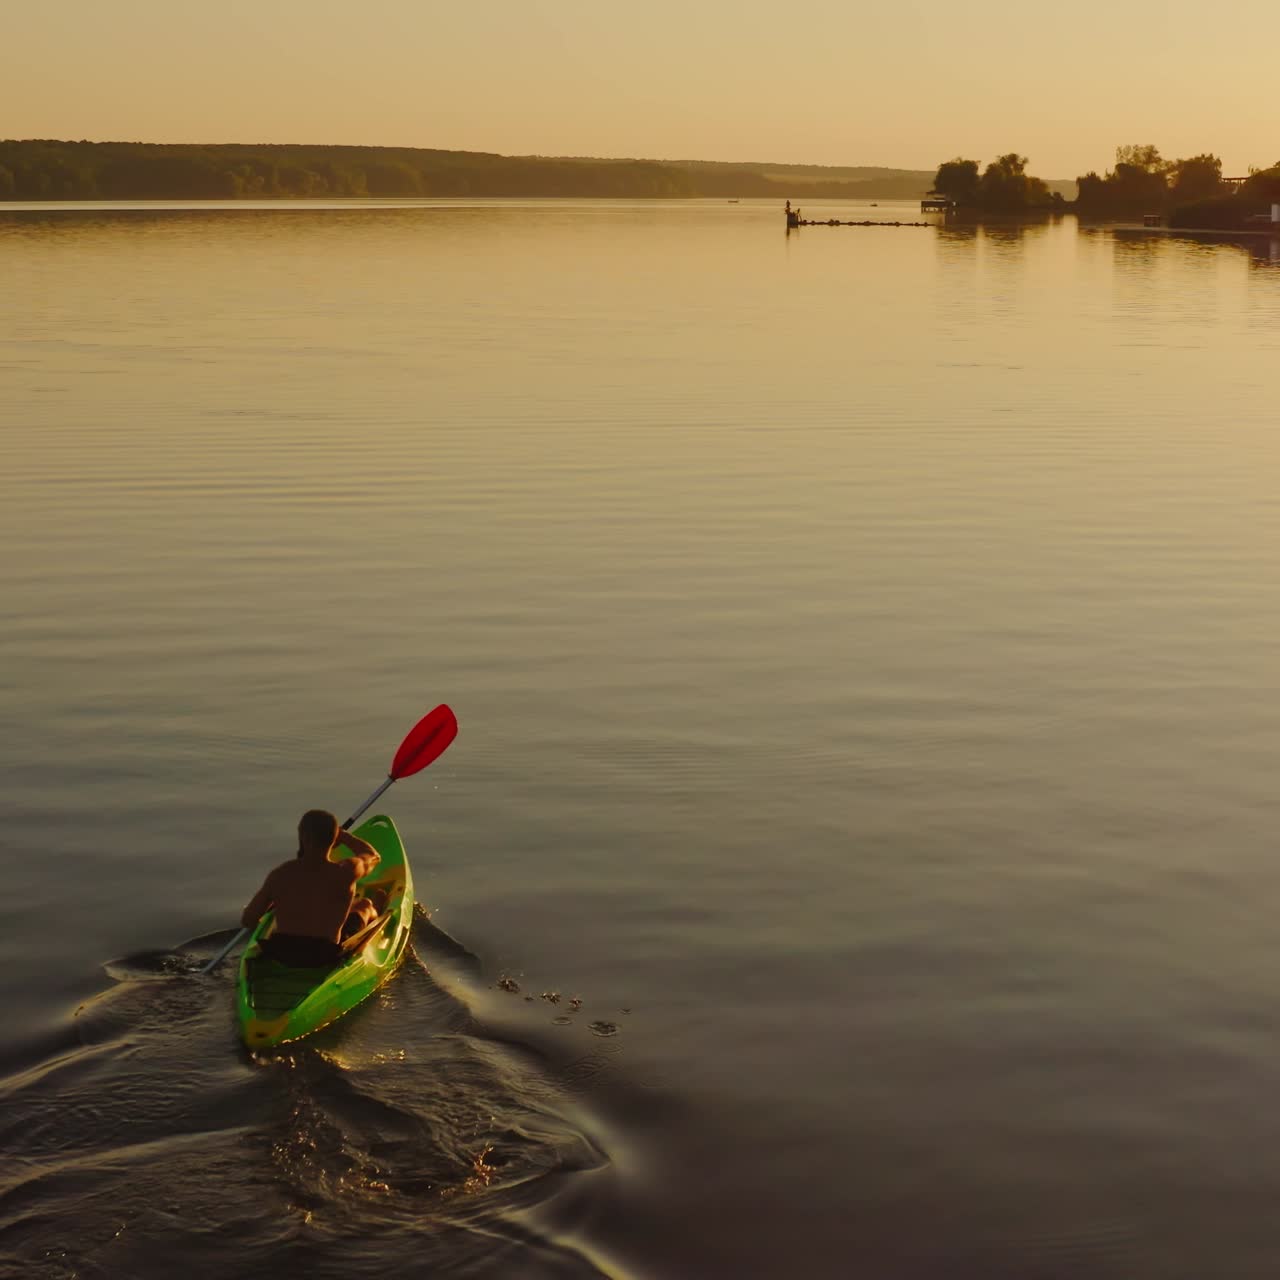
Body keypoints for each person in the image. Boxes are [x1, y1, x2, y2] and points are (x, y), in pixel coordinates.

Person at [240, 809, 384, 967]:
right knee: (365, 906)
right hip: (324, 955)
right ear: (333, 838)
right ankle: (377, 911)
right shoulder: (346, 871)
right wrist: (344, 837)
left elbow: (248, 920)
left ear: (302, 837)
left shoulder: (280, 874)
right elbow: (373, 856)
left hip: (281, 952)